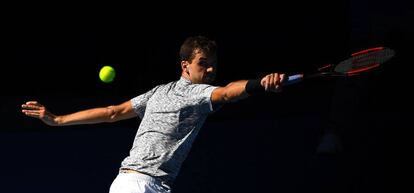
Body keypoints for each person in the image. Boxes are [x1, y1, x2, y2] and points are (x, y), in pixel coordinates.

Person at [21, 35, 286, 193]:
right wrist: (259, 84)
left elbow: (113, 113)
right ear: (186, 65)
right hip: (143, 186)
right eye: (202, 64)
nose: (209, 71)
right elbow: (228, 92)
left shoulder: (157, 92)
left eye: (213, 65)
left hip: (126, 184)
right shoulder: (193, 94)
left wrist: (58, 120)